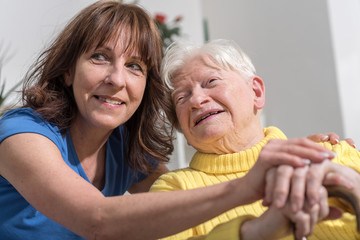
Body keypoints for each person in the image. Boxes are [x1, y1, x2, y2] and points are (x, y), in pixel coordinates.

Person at [0, 2, 340, 239]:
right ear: (68, 71)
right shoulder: (21, 134)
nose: (117, 79)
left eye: (134, 66)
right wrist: (248, 186)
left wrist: (295, 157)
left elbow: (183, 198)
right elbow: (97, 221)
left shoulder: (124, 149)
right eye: (100, 57)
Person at [150, 39, 360, 239]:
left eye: (211, 82)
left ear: (256, 92)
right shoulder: (173, 189)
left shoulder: (332, 153)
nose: (196, 99)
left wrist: (354, 188)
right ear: (181, 127)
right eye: (181, 97)